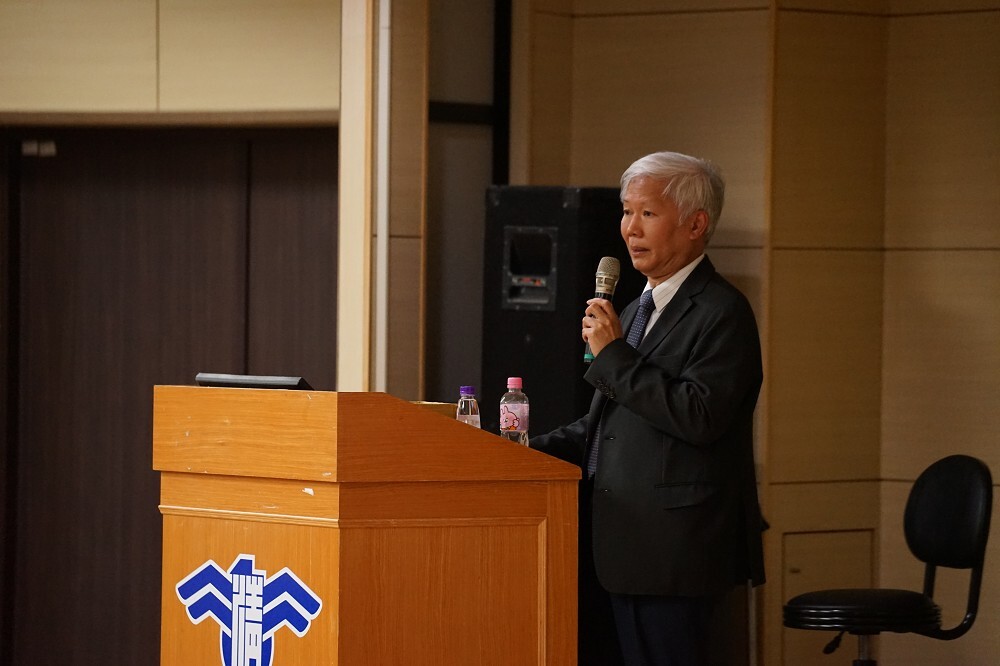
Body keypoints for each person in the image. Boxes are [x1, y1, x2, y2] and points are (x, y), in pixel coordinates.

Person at [530, 151, 765, 666]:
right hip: (616, 544)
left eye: (648, 213)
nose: (630, 229)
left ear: (695, 225)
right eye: (626, 212)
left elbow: (700, 415)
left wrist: (614, 356)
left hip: (675, 554)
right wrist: (519, 448)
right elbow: (609, 424)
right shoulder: (639, 308)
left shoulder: (722, 312)